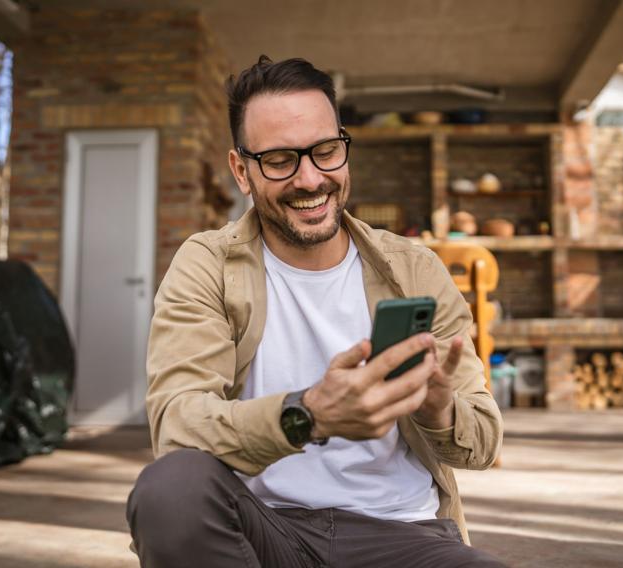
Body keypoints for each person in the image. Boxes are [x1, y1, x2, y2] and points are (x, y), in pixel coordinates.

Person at [126, 55, 505, 568]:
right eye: (281, 160)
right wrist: (308, 414)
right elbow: (177, 426)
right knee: (169, 491)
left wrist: (436, 408)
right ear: (242, 170)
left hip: (402, 533)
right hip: (263, 528)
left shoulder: (414, 269)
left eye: (325, 152)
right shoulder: (208, 264)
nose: (310, 179)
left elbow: (482, 443)